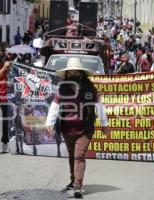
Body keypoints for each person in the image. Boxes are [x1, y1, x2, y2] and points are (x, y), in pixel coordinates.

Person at [45, 58, 109, 198]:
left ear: (80, 72)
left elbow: (99, 105)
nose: (72, 72)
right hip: (67, 128)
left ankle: (77, 186)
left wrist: (104, 124)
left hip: (85, 128)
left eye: (74, 70)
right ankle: (73, 180)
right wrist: (49, 122)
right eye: (70, 71)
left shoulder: (90, 88)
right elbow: (55, 106)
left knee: (79, 156)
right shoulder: (63, 87)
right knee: (72, 156)